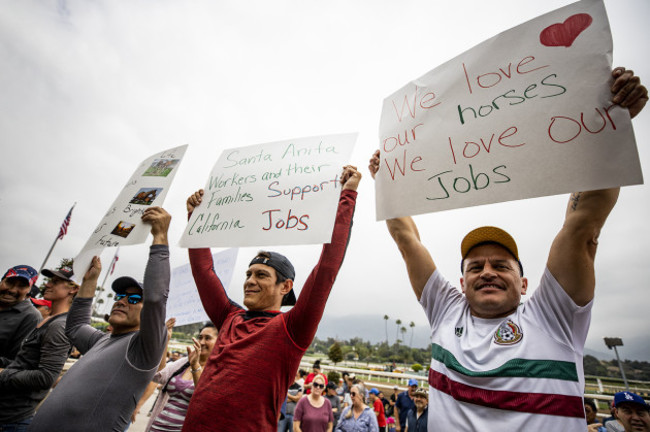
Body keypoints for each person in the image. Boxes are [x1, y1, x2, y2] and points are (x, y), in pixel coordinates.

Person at [368, 68, 648, 431]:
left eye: (501, 265)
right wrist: (387, 182)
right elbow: (408, 240)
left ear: (525, 283)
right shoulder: (445, 310)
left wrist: (612, 128)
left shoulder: (554, 316)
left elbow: (582, 227)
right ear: (461, 282)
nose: (486, 271)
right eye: (475, 267)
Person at [182, 165, 361, 431]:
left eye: (262, 275)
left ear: (285, 286)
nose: (250, 281)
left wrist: (347, 195)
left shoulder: (292, 329)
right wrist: (194, 219)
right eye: (248, 274)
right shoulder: (229, 317)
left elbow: (326, 269)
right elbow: (203, 270)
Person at [29, 206, 172, 432]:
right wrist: (89, 282)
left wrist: (160, 238)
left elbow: (156, 300)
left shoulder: (143, 348)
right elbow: (75, 327)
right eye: (120, 296)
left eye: (134, 298)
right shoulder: (101, 340)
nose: (122, 301)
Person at [0, 264, 79, 430]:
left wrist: (3, 373)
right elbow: (23, 363)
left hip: (11, 420)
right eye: (50, 280)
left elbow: (46, 377)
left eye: (56, 282)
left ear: (73, 289)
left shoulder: (59, 326)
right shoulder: (49, 320)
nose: (47, 284)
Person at [146, 323, 219, 432]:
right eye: (200, 337)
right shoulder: (185, 362)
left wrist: (195, 366)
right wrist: (165, 341)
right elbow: (157, 375)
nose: (202, 342)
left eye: (207, 338)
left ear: (220, 341)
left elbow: (205, 399)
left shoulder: (219, 370)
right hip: (156, 427)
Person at [0, 265, 41, 367]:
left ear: (29, 290)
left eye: (21, 286)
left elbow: (18, 362)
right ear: (2, 281)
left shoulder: (31, 317)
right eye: (10, 282)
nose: (12, 290)